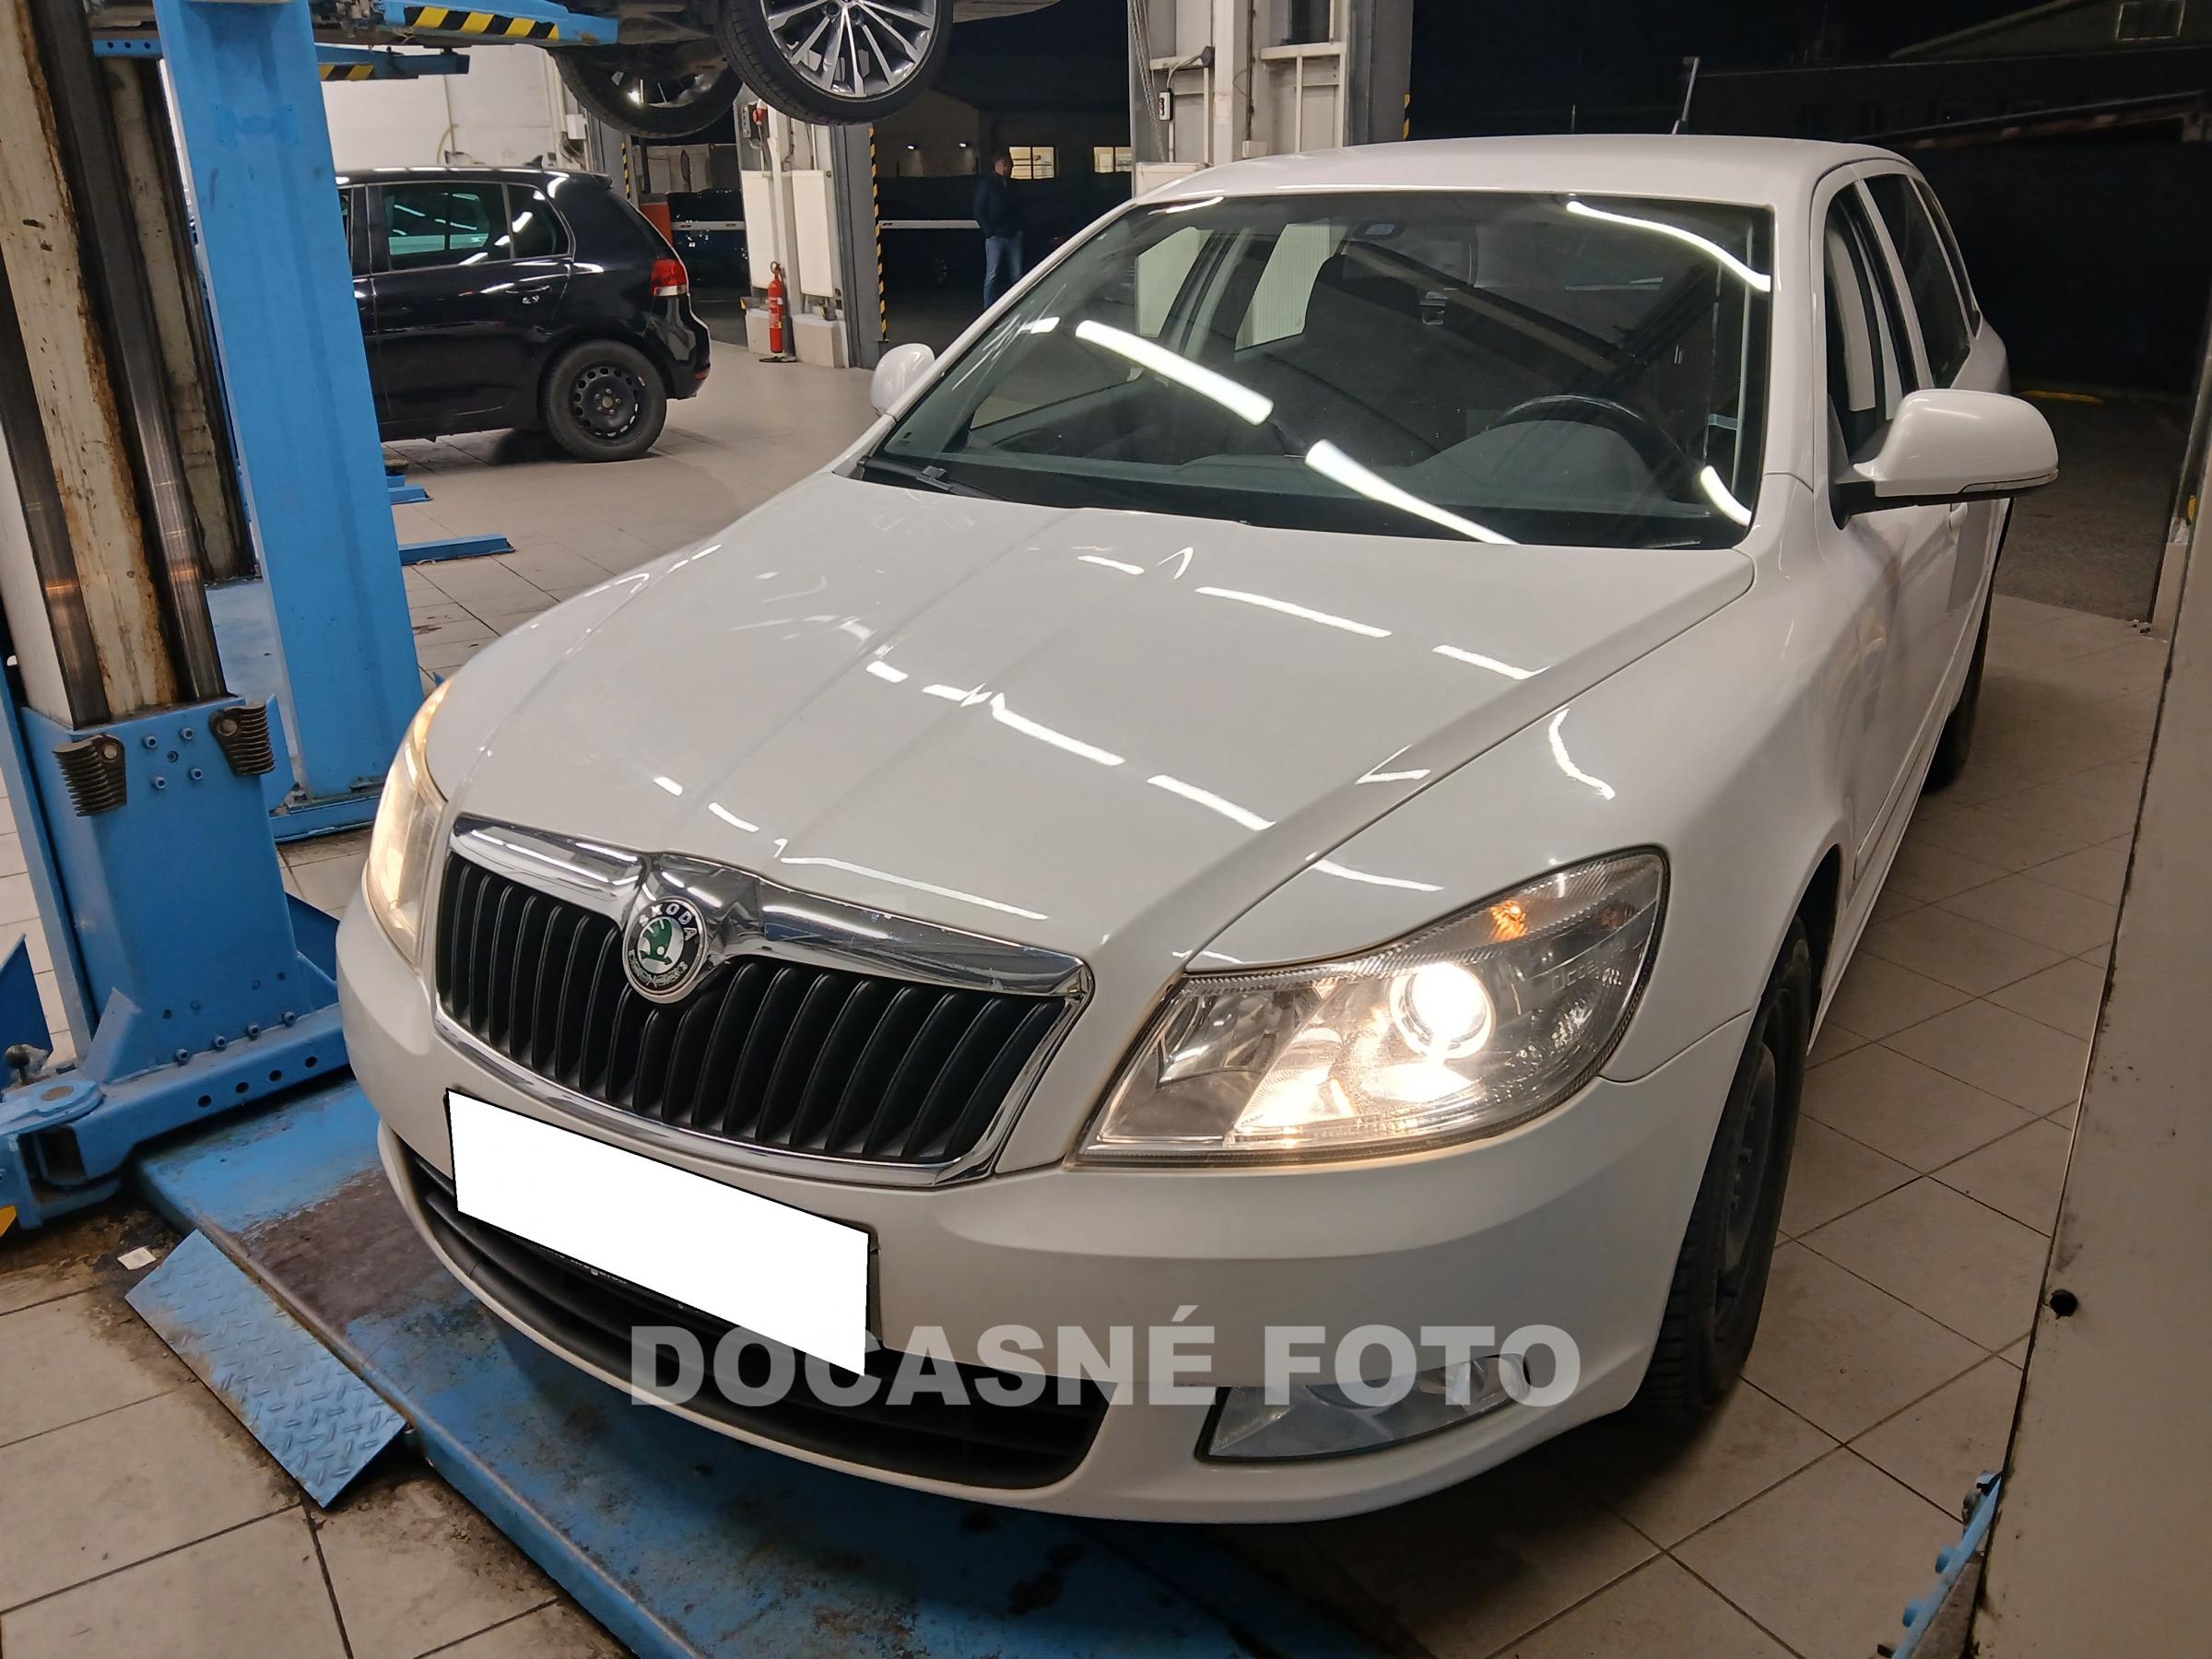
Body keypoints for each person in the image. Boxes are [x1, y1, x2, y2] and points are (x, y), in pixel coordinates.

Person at [974, 149, 1025, 307]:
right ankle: (988, 307)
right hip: (996, 236)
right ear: (1000, 165)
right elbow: (979, 210)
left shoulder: (1013, 185)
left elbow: (1020, 208)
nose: (1010, 168)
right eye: (1008, 165)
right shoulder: (988, 185)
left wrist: (1019, 229)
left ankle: (1017, 305)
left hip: (1013, 235)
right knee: (992, 274)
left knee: (1017, 274)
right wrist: (989, 232)